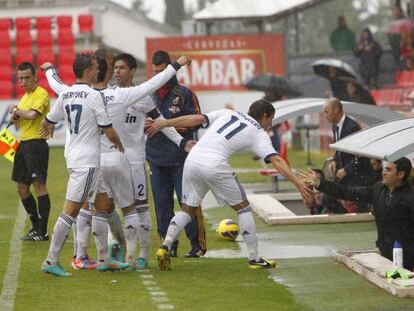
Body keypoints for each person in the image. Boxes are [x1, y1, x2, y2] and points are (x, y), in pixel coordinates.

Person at [43, 50, 193, 271]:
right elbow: (153, 84)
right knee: (131, 209)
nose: (116, 71)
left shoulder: (70, 93)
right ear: (104, 73)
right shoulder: (120, 96)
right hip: (120, 159)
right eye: (113, 68)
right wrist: (176, 65)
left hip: (92, 161)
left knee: (97, 210)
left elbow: (56, 86)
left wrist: (49, 70)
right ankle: (132, 258)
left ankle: (97, 256)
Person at [145, 99, 313, 271]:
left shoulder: (229, 113)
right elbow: (276, 159)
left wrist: (166, 122)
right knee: (243, 208)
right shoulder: (258, 133)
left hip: (193, 159)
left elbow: (196, 119)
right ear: (264, 116)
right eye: (270, 120)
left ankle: (165, 246)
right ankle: (254, 259)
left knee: (188, 210)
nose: (270, 125)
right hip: (214, 163)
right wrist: (298, 183)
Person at [40, 53, 125, 277]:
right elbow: (107, 129)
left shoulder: (66, 93)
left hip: (76, 158)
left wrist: (46, 126)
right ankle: (51, 260)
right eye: (96, 67)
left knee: (101, 205)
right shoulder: (93, 95)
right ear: (87, 71)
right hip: (87, 163)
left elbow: (50, 119)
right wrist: (119, 144)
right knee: (71, 212)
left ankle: (104, 259)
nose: (99, 70)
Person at [112, 52, 195, 268]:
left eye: (121, 68)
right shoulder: (109, 96)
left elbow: (161, 123)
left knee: (141, 208)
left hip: (137, 161)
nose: (116, 72)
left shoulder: (142, 96)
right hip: (113, 162)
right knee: (109, 207)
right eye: (114, 68)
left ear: (132, 71)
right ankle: (116, 250)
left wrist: (182, 143)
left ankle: (142, 254)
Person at [300, 157, 414, 271]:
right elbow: (346, 192)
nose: (383, 172)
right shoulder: (377, 189)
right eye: (384, 169)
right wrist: (320, 183)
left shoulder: (411, 196)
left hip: (408, 258)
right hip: (384, 254)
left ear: (400, 174)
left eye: (388, 170)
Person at [146, 50, 206, 258]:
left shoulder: (185, 94)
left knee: (186, 200)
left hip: (181, 158)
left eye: (161, 72)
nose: (157, 76)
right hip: (155, 156)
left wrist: (166, 126)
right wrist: (145, 125)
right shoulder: (149, 94)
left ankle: (197, 244)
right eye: (154, 72)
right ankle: (168, 244)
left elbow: (197, 120)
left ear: (170, 71)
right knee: (162, 204)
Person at [8, 62, 51, 241]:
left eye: (27, 77)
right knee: (21, 187)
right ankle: (35, 228)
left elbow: (33, 115)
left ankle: (43, 231)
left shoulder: (41, 94)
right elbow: (23, 120)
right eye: (21, 78)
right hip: (24, 144)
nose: (24, 81)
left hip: (36, 144)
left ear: (35, 77)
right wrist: (15, 117)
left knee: (38, 185)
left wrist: (18, 110)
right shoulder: (25, 97)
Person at [322, 98, 373, 213]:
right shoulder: (335, 126)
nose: (325, 116)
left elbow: (361, 157)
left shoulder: (352, 127)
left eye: (326, 112)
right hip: (344, 174)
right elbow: (338, 148)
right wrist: (334, 160)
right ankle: (345, 216)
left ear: (337, 110)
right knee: (327, 198)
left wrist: (345, 170)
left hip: (357, 175)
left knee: (361, 208)